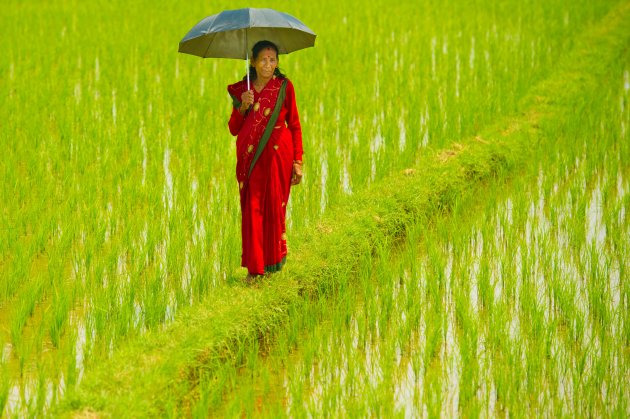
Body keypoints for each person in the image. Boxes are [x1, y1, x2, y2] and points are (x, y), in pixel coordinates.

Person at [227, 40, 304, 281]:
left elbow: (295, 125)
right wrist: (243, 107)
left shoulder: (284, 87)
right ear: (253, 62)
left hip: (279, 156)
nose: (267, 65)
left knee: (273, 208)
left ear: (278, 63)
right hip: (251, 161)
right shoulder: (244, 90)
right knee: (252, 209)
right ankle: (254, 269)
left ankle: (272, 265)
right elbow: (233, 129)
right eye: (263, 60)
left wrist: (298, 161)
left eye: (272, 60)